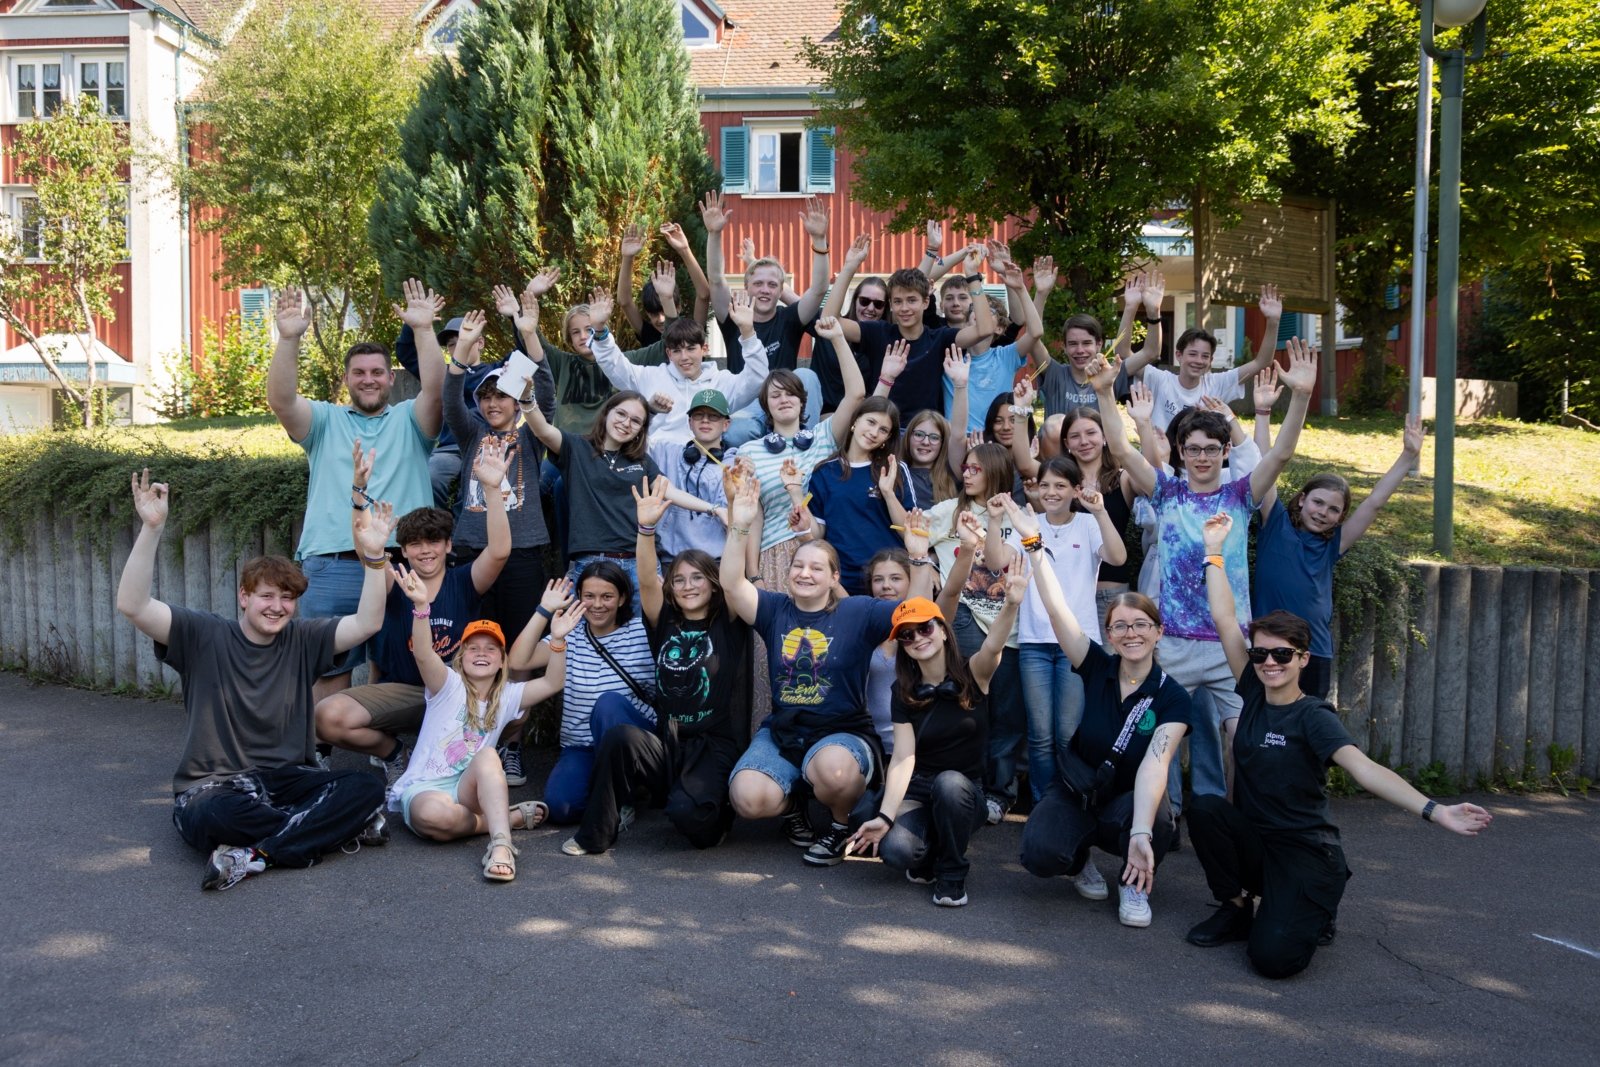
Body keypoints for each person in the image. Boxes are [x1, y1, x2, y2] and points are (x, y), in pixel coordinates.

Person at [1188, 514, 1492, 976]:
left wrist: (1436, 811)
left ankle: (1319, 904)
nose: (1270, 662)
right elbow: (1224, 616)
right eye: (1262, 654)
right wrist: (1214, 549)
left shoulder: (1313, 717)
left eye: (1283, 654)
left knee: (1273, 961)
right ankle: (1236, 906)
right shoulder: (1250, 688)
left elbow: (1365, 769)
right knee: (1207, 809)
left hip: (1304, 852)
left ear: (1303, 659)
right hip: (1258, 841)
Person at [115, 467, 391, 891]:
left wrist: (374, 560)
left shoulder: (304, 639)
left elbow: (368, 622)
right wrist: (152, 528)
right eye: (266, 595)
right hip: (216, 785)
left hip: (288, 779)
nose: (277, 606)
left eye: (287, 598)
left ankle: (255, 855)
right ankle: (328, 831)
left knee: (365, 787)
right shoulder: (202, 634)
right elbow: (133, 604)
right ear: (244, 597)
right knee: (210, 816)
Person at [1097, 340, 1317, 805]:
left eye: (1211, 449)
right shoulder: (1167, 492)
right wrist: (1102, 393)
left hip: (1230, 647)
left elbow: (1279, 456)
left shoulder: (1240, 495)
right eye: (1192, 448)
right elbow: (1119, 448)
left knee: (1248, 744)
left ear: (1223, 452)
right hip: (1173, 643)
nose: (1202, 457)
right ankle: (1154, 826)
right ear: (1180, 450)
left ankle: (1241, 834)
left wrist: (1300, 396)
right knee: (1155, 742)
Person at [720, 476, 935, 866]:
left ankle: (838, 825)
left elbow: (915, 611)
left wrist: (918, 558)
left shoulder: (858, 612)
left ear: (835, 578)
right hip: (785, 731)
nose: (805, 573)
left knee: (835, 773)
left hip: (844, 732)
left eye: (817, 568)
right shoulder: (773, 610)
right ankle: (793, 809)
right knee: (748, 797)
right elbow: (732, 585)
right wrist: (740, 525)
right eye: (798, 566)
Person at [1005, 496, 1192, 927]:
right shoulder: (1095, 665)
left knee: (1157, 818)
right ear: (1107, 633)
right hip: (1077, 789)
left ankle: (1134, 877)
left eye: (1141, 624)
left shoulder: (1172, 696)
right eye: (1120, 626)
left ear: (1158, 632)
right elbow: (1056, 609)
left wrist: (1142, 831)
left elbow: (1156, 765)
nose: (1131, 633)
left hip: (1128, 802)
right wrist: (1032, 541)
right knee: (1039, 853)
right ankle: (1078, 862)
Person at [267, 281, 445, 701]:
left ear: (390, 378)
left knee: (400, 669)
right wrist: (289, 338)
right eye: (360, 373)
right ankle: (320, 758)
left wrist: (423, 330)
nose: (369, 380)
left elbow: (437, 390)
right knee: (329, 672)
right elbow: (281, 399)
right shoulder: (324, 422)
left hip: (402, 563)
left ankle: (387, 751)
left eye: (377, 372)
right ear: (346, 378)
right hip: (332, 564)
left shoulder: (411, 421)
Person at [563, 478, 755, 855]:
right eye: (680, 579)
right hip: (667, 742)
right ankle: (596, 835)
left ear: (713, 585)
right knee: (620, 738)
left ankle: (717, 813)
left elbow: (734, 576)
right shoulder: (664, 620)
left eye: (698, 577)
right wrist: (646, 528)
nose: (688, 585)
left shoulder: (729, 621)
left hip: (711, 745)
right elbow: (648, 579)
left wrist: (739, 525)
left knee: (691, 821)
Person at [314, 441, 510, 798]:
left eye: (433, 541)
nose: (425, 550)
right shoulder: (394, 580)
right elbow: (367, 550)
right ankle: (394, 754)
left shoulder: (464, 581)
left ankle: (477, 759)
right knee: (328, 716)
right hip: (407, 692)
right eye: (415, 544)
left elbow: (498, 551)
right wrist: (359, 495)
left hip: (457, 694)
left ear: (448, 546)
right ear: (403, 550)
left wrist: (493, 489)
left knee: (517, 711)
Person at [847, 570, 1023, 908]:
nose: (917, 639)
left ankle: (952, 871)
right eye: (907, 635)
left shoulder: (975, 673)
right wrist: (885, 818)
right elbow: (903, 758)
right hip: (919, 788)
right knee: (897, 851)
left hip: (964, 792)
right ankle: (929, 852)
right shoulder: (903, 691)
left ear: (943, 630)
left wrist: (1012, 604)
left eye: (925, 628)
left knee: (949, 784)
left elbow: (994, 644)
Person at [389, 574, 572, 882]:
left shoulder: (509, 695)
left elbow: (553, 682)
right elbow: (422, 653)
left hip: (470, 788)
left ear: (502, 661)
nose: (482, 653)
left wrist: (557, 640)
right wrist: (421, 606)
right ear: (461, 659)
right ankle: (505, 818)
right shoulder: (447, 684)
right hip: (428, 788)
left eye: (491, 649)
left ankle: (501, 845)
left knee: (488, 756)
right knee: (432, 818)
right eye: (473, 649)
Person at [1253, 413, 1426, 698]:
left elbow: (1374, 502)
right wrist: (1262, 414)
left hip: (1314, 651)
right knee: (1262, 730)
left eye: (1333, 509)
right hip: (1268, 650)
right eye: (1318, 502)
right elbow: (1265, 466)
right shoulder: (1275, 523)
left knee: (1306, 733)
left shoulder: (1334, 544)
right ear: (1301, 499)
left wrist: (1408, 455)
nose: (1323, 512)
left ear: (1340, 517)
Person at [995, 458, 1128, 804]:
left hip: (1079, 646)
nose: (1052, 492)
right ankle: (1044, 804)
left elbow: (1117, 556)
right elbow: (995, 561)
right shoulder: (1029, 522)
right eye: (1045, 485)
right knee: (1040, 735)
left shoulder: (1087, 524)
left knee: (1068, 733)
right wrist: (997, 520)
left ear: (1074, 490)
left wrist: (1099, 512)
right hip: (1035, 643)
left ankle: (1071, 803)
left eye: (1060, 485)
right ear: (1036, 487)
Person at [521, 386, 720, 598]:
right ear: (607, 413)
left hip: (639, 562)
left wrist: (715, 509)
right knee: (588, 629)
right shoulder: (577, 447)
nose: (626, 423)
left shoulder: (642, 461)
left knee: (647, 629)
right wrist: (527, 399)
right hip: (592, 563)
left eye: (635, 421)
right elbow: (542, 429)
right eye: (621, 414)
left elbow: (670, 491)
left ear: (641, 430)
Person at [441, 308, 556, 654]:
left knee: (521, 642)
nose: (493, 403)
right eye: (486, 396)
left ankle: (518, 710)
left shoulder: (532, 436)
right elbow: (450, 400)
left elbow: (547, 395)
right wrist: (462, 348)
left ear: (516, 401)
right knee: (476, 643)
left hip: (523, 552)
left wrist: (530, 336)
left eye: (501, 395)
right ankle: (479, 709)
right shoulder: (471, 432)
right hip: (472, 550)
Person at [923, 444, 1026, 822]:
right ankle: (971, 789)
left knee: (1007, 715)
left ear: (996, 471)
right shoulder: (950, 510)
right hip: (964, 619)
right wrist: (931, 565)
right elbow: (912, 530)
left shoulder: (1019, 513)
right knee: (970, 709)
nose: (966, 474)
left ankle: (1000, 794)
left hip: (1010, 625)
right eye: (965, 467)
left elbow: (1011, 560)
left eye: (975, 469)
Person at [509, 569, 656, 824]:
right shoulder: (570, 633)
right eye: (589, 596)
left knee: (608, 703)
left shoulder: (641, 631)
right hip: (582, 746)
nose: (597, 605)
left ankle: (623, 794)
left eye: (607, 596)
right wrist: (544, 611)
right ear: (578, 597)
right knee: (561, 807)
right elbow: (519, 661)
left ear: (622, 598)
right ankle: (619, 791)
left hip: (631, 742)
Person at [821, 236, 998, 421]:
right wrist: (849, 268)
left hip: (925, 435)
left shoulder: (941, 338)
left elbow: (984, 329)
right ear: (890, 304)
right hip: (884, 429)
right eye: (898, 301)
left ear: (926, 302)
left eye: (911, 300)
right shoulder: (878, 332)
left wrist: (972, 275)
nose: (904, 308)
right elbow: (829, 320)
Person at [702, 192, 828, 443]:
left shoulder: (789, 318)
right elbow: (716, 279)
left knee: (807, 377)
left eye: (772, 284)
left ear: (781, 291)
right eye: (758, 283)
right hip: (748, 409)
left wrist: (819, 239)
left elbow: (819, 290)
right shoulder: (733, 317)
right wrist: (714, 234)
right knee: (735, 431)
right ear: (747, 287)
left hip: (788, 406)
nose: (765, 289)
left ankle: (805, 448)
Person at [592, 286, 769, 446]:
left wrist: (747, 331)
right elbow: (615, 365)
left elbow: (757, 378)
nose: (684, 357)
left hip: (705, 464)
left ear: (704, 349)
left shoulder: (722, 382)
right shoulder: (650, 376)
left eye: (691, 349)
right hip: (658, 465)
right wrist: (599, 330)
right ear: (669, 354)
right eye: (676, 351)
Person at [1127, 284, 1283, 433]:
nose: (1199, 361)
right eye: (1193, 354)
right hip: (1158, 459)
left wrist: (1273, 322)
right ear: (1179, 355)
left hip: (1200, 459)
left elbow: (1262, 362)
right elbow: (1124, 355)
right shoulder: (1160, 380)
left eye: (1205, 356)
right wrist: (1131, 307)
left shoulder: (1217, 384)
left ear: (1211, 361)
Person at [804, 396, 914, 595]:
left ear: (887, 438)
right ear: (855, 421)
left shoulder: (894, 469)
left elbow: (909, 532)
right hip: (843, 580)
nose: (874, 433)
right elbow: (818, 534)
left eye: (883, 430)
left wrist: (888, 493)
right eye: (871, 422)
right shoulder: (824, 472)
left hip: (887, 581)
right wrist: (795, 494)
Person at [647, 388, 738, 565]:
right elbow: (634, 442)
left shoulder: (735, 465)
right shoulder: (666, 452)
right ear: (689, 422)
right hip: (669, 560)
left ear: (726, 424)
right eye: (698, 415)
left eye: (713, 416)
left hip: (713, 563)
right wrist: (651, 412)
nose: (705, 420)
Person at [617, 220, 713, 345]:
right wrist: (627, 258)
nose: (661, 319)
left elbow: (704, 295)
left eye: (663, 311)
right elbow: (624, 302)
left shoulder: (691, 330)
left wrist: (684, 250)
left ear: (679, 307)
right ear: (647, 314)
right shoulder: (648, 334)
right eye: (654, 314)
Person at [809, 275, 891, 414]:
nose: (870, 308)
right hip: (818, 415)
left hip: (858, 417)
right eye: (864, 301)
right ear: (855, 300)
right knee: (804, 375)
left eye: (878, 304)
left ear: (885, 308)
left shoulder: (886, 337)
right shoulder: (828, 324)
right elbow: (796, 304)